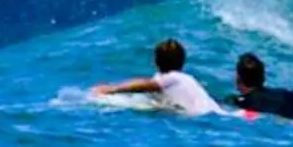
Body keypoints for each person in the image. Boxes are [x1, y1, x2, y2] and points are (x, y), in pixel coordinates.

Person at [93, 38, 221, 116]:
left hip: (203, 116)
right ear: (182, 61)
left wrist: (111, 89)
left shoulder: (172, 78)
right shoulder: (187, 78)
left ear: (156, 61)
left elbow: (146, 84)